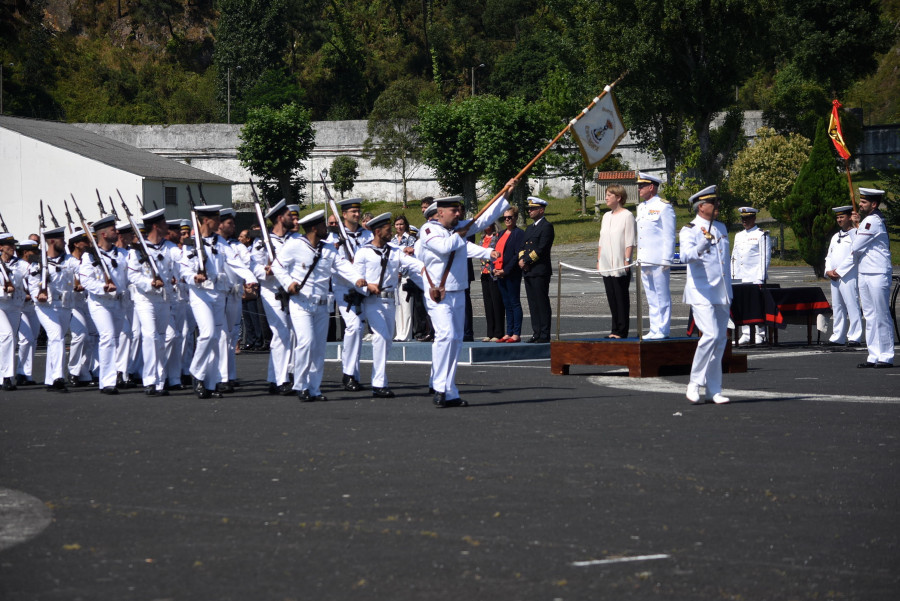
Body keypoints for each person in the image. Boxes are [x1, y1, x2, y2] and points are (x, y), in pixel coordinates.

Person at [420, 182, 513, 408]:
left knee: (456, 341)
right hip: (438, 294)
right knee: (446, 336)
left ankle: (449, 390)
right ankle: (440, 387)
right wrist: (461, 233)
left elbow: (483, 219)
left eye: (459, 210)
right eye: (454, 210)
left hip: (458, 291)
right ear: (440, 212)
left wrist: (505, 194)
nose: (458, 213)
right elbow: (444, 248)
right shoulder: (429, 230)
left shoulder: (457, 229)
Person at [273, 210, 365, 402]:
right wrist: (289, 283)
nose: (327, 228)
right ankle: (301, 385)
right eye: (324, 225)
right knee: (305, 343)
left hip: (323, 305)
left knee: (318, 349)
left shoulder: (328, 248)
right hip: (301, 303)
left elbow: (342, 266)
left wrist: (357, 278)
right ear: (314, 228)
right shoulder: (295, 245)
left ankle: (314, 388)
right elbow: (277, 266)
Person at [180, 205, 257, 398]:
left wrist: (250, 277)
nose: (219, 222)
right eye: (216, 218)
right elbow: (183, 269)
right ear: (206, 220)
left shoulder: (220, 242)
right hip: (200, 294)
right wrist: (193, 277)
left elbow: (235, 262)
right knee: (207, 333)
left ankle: (210, 382)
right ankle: (197, 373)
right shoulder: (191, 243)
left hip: (218, 294)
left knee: (215, 338)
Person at [354, 212, 425, 397]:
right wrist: (367, 287)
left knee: (387, 341)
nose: (391, 231)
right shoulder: (363, 252)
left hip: (390, 300)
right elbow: (355, 279)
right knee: (381, 337)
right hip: (372, 301)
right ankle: (379, 384)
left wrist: (425, 268)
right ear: (377, 231)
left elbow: (410, 263)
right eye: (387, 228)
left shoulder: (394, 251)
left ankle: (379, 380)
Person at [679, 185, 732, 405]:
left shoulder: (720, 227)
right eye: (713, 203)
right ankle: (694, 383)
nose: (717, 206)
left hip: (721, 291)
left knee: (720, 340)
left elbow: (723, 262)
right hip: (701, 290)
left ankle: (714, 389)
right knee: (709, 335)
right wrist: (701, 246)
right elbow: (684, 258)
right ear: (702, 207)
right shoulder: (689, 229)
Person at [835, 188, 894, 368]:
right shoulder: (867, 222)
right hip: (865, 272)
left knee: (881, 314)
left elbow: (857, 245)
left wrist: (854, 228)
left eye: (864, 202)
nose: (859, 205)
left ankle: (886, 355)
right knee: (869, 315)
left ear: (873, 204)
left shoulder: (873, 221)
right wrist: (856, 227)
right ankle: (873, 354)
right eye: (860, 201)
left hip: (877, 273)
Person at [127, 208, 179, 396]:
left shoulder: (170, 248)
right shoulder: (138, 249)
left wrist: (177, 278)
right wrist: (150, 283)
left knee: (164, 337)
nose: (168, 227)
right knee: (150, 336)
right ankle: (149, 379)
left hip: (163, 298)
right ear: (156, 226)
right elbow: (132, 274)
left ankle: (160, 379)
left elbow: (180, 265)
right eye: (165, 223)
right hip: (145, 298)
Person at [249, 199, 297, 395]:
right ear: (279, 218)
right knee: (281, 334)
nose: (292, 219)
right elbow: (254, 266)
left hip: (291, 291)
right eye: (288, 215)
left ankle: (277, 376)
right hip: (272, 291)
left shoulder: (294, 241)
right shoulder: (262, 242)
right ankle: (281, 380)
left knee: (291, 334)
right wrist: (265, 271)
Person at [328, 198, 374, 392]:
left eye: (358, 211)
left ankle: (353, 374)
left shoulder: (367, 235)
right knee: (354, 327)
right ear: (344, 215)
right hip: (344, 288)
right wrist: (355, 277)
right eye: (352, 212)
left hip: (366, 288)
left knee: (359, 330)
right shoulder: (333, 238)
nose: (357, 214)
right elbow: (337, 265)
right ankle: (348, 373)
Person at [80, 214, 129, 395]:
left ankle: (111, 375)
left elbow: (129, 275)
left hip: (118, 302)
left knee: (115, 340)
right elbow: (85, 281)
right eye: (113, 229)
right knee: (107, 337)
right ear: (103, 234)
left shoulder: (123, 254)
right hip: (100, 303)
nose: (117, 231)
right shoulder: (89, 256)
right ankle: (107, 381)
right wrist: (103, 287)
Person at [32, 225, 76, 393]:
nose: (64, 242)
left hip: (64, 305)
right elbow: (31, 283)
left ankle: (50, 379)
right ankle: (58, 377)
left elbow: (80, 268)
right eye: (61, 239)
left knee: (55, 340)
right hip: (45, 306)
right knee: (57, 335)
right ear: (51, 241)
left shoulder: (68, 260)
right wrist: (38, 293)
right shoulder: (39, 262)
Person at [635, 172, 675, 339]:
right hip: (645, 258)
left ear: (651, 187)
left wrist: (667, 258)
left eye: (641, 186)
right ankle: (654, 328)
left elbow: (669, 235)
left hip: (659, 259)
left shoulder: (664, 206)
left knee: (662, 294)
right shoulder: (641, 207)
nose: (638, 189)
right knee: (651, 295)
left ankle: (663, 329)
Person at [597, 184, 636, 339]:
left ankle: (622, 330)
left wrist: (627, 260)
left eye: (609, 195)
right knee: (611, 297)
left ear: (618, 197)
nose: (606, 198)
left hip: (620, 262)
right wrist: (599, 259)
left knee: (621, 297)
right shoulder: (606, 216)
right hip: (606, 262)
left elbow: (629, 240)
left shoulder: (627, 215)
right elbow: (601, 240)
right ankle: (614, 329)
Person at [823, 206, 863, 347]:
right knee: (838, 307)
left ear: (849, 217)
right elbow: (829, 256)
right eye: (838, 217)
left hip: (848, 275)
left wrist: (840, 270)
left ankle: (854, 336)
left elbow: (855, 256)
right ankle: (837, 336)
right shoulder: (835, 236)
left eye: (842, 217)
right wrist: (828, 271)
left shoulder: (856, 234)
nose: (839, 220)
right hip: (834, 277)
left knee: (852, 305)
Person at [731, 206, 771, 344]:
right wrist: (733, 274)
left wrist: (761, 276)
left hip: (754, 276)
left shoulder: (761, 234)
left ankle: (760, 334)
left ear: (754, 218)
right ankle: (746, 333)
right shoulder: (738, 235)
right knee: (743, 305)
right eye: (743, 218)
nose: (744, 221)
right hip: (741, 276)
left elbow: (764, 258)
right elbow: (734, 256)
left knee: (757, 306)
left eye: (747, 218)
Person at [519, 197, 554, 343]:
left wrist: (527, 261)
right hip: (528, 271)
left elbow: (542, 248)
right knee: (533, 303)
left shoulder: (546, 226)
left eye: (532, 209)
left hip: (540, 270)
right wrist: (521, 259)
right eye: (529, 209)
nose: (529, 211)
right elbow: (523, 247)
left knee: (541, 302)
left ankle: (544, 333)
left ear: (541, 210)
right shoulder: (530, 228)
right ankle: (536, 332)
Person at [66, 226, 98, 387]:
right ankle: (73, 371)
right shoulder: (67, 262)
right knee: (80, 336)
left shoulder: (89, 259)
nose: (89, 243)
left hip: (88, 303)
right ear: (77, 244)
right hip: (73, 303)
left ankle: (85, 371)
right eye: (86, 241)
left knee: (92, 336)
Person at [0, 232, 29, 390]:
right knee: (7, 335)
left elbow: (30, 277)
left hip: (14, 305)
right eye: (9, 245)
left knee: (10, 340)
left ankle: (3, 375)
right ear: (1, 247)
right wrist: (4, 289)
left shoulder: (21, 264)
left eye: (13, 245)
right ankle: (7, 377)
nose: (12, 248)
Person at [494, 206, 524, 343]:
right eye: (504, 217)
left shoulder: (519, 234)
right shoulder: (501, 233)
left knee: (514, 303)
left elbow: (517, 255)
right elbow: (496, 253)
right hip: (499, 273)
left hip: (511, 273)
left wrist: (506, 270)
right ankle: (509, 331)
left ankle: (516, 333)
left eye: (510, 217)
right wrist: (495, 268)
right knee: (506, 304)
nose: (507, 220)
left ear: (515, 218)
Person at [15, 240, 39, 386]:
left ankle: (26, 374)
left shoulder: (36, 266)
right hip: (20, 307)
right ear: (25, 252)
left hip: (33, 307)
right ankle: (19, 372)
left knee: (33, 340)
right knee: (26, 339)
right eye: (33, 252)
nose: (36, 255)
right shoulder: (17, 266)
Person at [478, 223, 505, 342]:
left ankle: (498, 332)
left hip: (493, 272)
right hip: (484, 273)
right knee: (488, 303)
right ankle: (490, 332)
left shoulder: (497, 237)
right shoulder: (483, 238)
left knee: (496, 303)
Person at [238, 228, 264, 351]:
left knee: (255, 315)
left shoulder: (251, 251)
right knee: (247, 315)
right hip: (243, 286)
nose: (239, 239)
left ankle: (258, 340)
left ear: (248, 239)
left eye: (242, 237)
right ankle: (250, 340)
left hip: (252, 286)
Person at [391, 215, 416, 341]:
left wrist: (401, 271)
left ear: (405, 225)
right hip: (395, 277)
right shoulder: (393, 240)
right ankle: (399, 332)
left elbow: (410, 258)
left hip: (406, 276)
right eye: (397, 224)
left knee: (406, 306)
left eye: (401, 224)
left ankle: (406, 334)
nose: (399, 227)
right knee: (397, 305)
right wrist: (395, 272)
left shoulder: (410, 239)